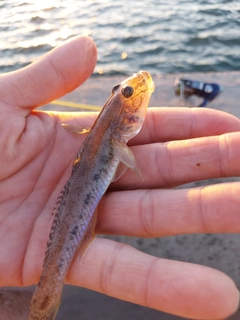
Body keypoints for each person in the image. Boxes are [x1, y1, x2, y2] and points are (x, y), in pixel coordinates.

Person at [0, 35, 240, 320]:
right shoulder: (112, 136)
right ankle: (42, 305)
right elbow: (125, 159)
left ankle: (42, 303)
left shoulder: (108, 132)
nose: (134, 90)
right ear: (122, 119)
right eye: (125, 93)